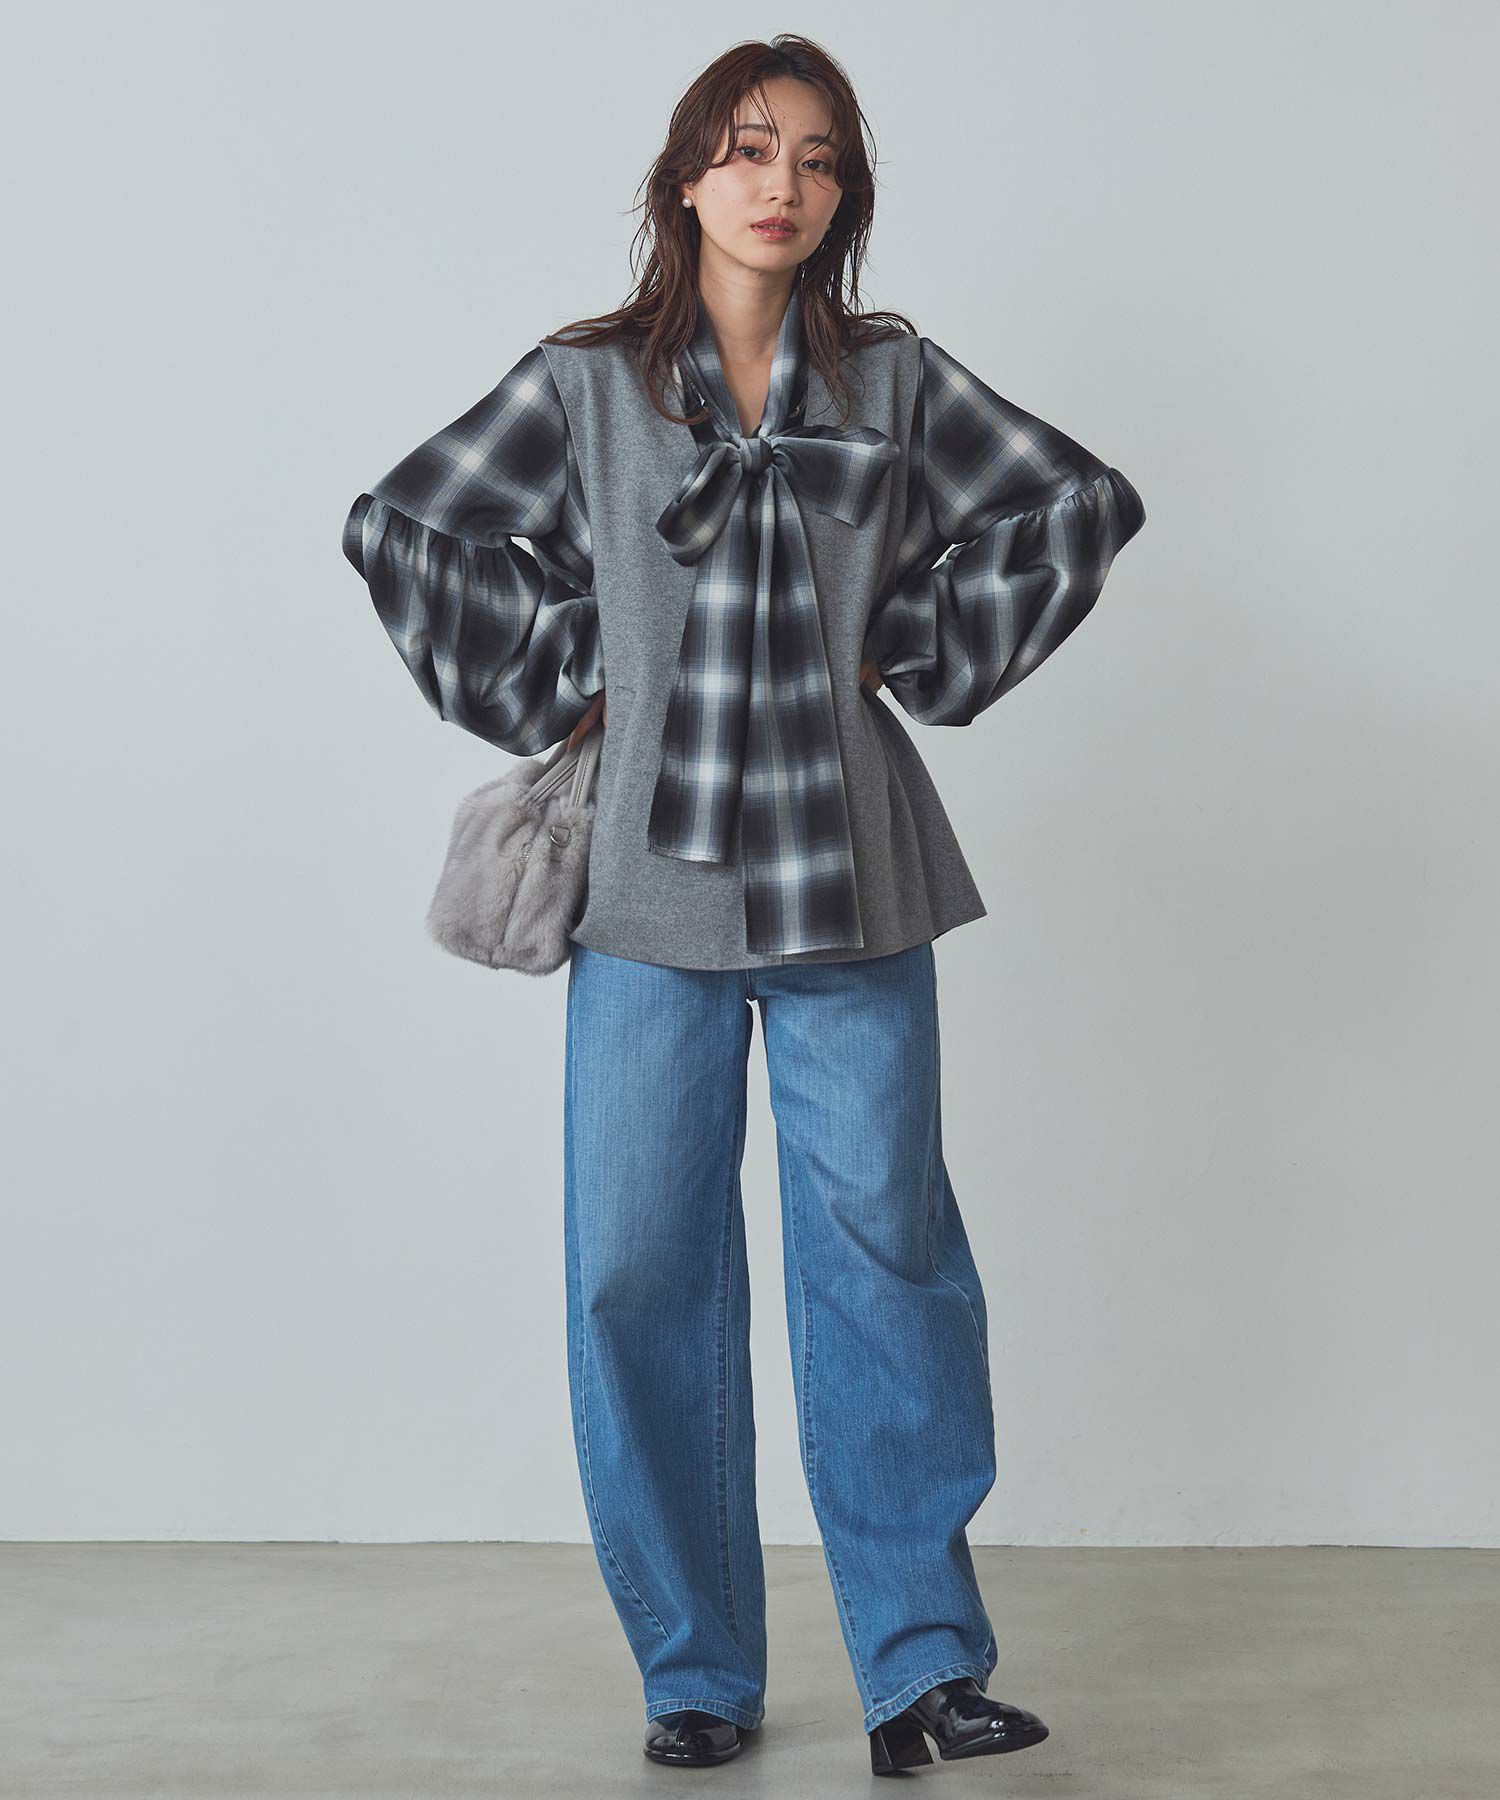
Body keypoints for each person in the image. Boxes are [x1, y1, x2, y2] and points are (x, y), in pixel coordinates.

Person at [341, 32, 1145, 1777]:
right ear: (686, 177)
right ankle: (694, 1669)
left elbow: (1080, 504)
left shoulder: (894, 379)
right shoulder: (586, 387)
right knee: (637, 1271)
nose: (782, 184)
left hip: (854, 875)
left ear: (848, 195)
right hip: (648, 888)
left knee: (889, 1259)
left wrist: (911, 641)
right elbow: (403, 528)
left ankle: (919, 1670)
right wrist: (580, 668)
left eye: (819, 158)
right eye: (747, 148)